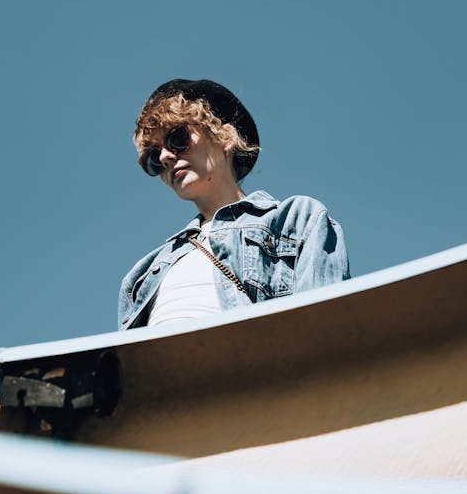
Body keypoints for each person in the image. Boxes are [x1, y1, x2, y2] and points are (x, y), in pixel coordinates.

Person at [118, 78, 350, 329]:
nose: (165, 157)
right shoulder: (141, 275)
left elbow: (326, 327)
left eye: (178, 138)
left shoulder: (297, 219)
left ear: (225, 137)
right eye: (153, 157)